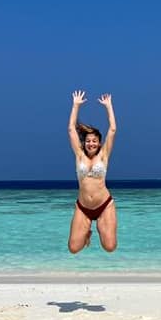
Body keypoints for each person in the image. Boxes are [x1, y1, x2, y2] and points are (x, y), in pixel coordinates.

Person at [68, 90, 118, 254]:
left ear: (99, 143)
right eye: (88, 141)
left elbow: (112, 130)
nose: (91, 144)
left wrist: (108, 107)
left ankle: (101, 227)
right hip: (83, 207)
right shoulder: (79, 155)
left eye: (94, 141)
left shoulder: (104, 155)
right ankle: (87, 232)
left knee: (110, 247)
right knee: (74, 248)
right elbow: (70, 130)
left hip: (104, 206)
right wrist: (76, 106)